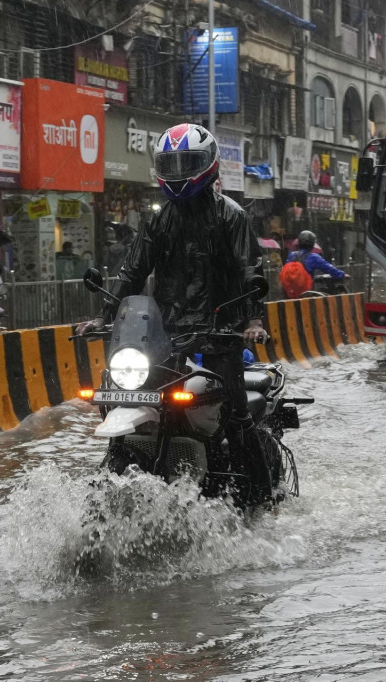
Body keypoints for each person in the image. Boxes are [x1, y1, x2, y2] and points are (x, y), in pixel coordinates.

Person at [74, 123, 272, 502]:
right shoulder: (159, 219)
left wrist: (252, 321)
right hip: (165, 336)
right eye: (172, 164)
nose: (179, 172)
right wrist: (104, 315)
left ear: (209, 164)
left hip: (220, 332)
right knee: (129, 396)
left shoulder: (230, 216)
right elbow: (132, 271)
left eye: (188, 162)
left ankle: (263, 500)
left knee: (235, 415)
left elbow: (249, 271)